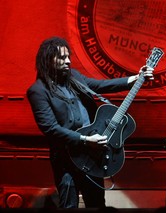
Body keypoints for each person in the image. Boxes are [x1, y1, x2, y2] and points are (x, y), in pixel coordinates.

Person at [27, 36, 154, 208]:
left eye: (68, 57)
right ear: (48, 60)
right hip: (66, 160)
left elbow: (100, 86)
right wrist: (85, 140)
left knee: (96, 205)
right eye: (62, 58)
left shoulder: (73, 76)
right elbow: (51, 129)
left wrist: (135, 78)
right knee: (69, 205)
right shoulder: (38, 91)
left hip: (93, 157)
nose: (68, 61)